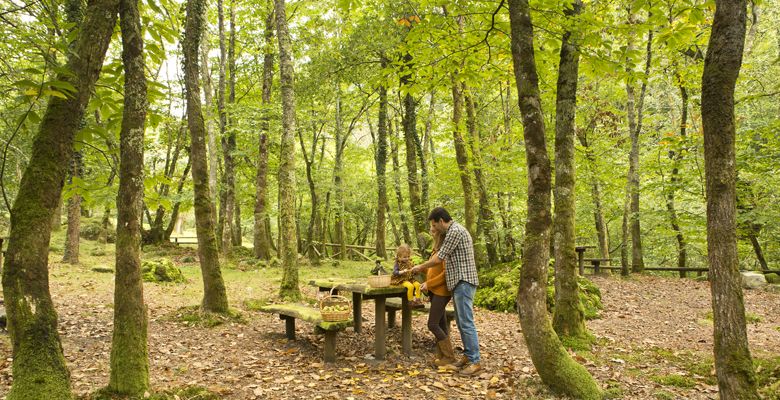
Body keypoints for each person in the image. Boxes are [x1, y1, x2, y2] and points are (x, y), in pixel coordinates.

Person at [406, 207, 482, 375]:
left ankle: (475, 361)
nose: (434, 229)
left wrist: (420, 267)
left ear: (441, 221)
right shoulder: (453, 231)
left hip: (464, 282)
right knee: (461, 322)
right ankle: (468, 356)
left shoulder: (454, 231)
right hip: (458, 283)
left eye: (434, 225)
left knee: (466, 322)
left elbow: (439, 258)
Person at [419, 226, 456, 368]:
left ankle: (449, 356)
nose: (431, 232)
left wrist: (429, 284)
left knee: (432, 324)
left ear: (440, 234)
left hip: (442, 292)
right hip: (435, 292)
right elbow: (432, 270)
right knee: (441, 324)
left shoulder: (444, 251)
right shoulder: (435, 250)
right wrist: (419, 271)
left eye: (433, 230)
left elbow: (445, 274)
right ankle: (442, 356)